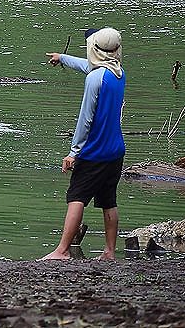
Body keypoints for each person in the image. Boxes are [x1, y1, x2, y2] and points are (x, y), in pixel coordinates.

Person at [41, 27, 126, 261]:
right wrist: (63, 58)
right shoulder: (118, 73)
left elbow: (85, 118)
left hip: (94, 151)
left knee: (76, 197)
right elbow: (89, 65)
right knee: (109, 200)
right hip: (116, 151)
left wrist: (73, 153)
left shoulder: (94, 79)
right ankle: (109, 251)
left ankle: (62, 251)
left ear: (94, 50)